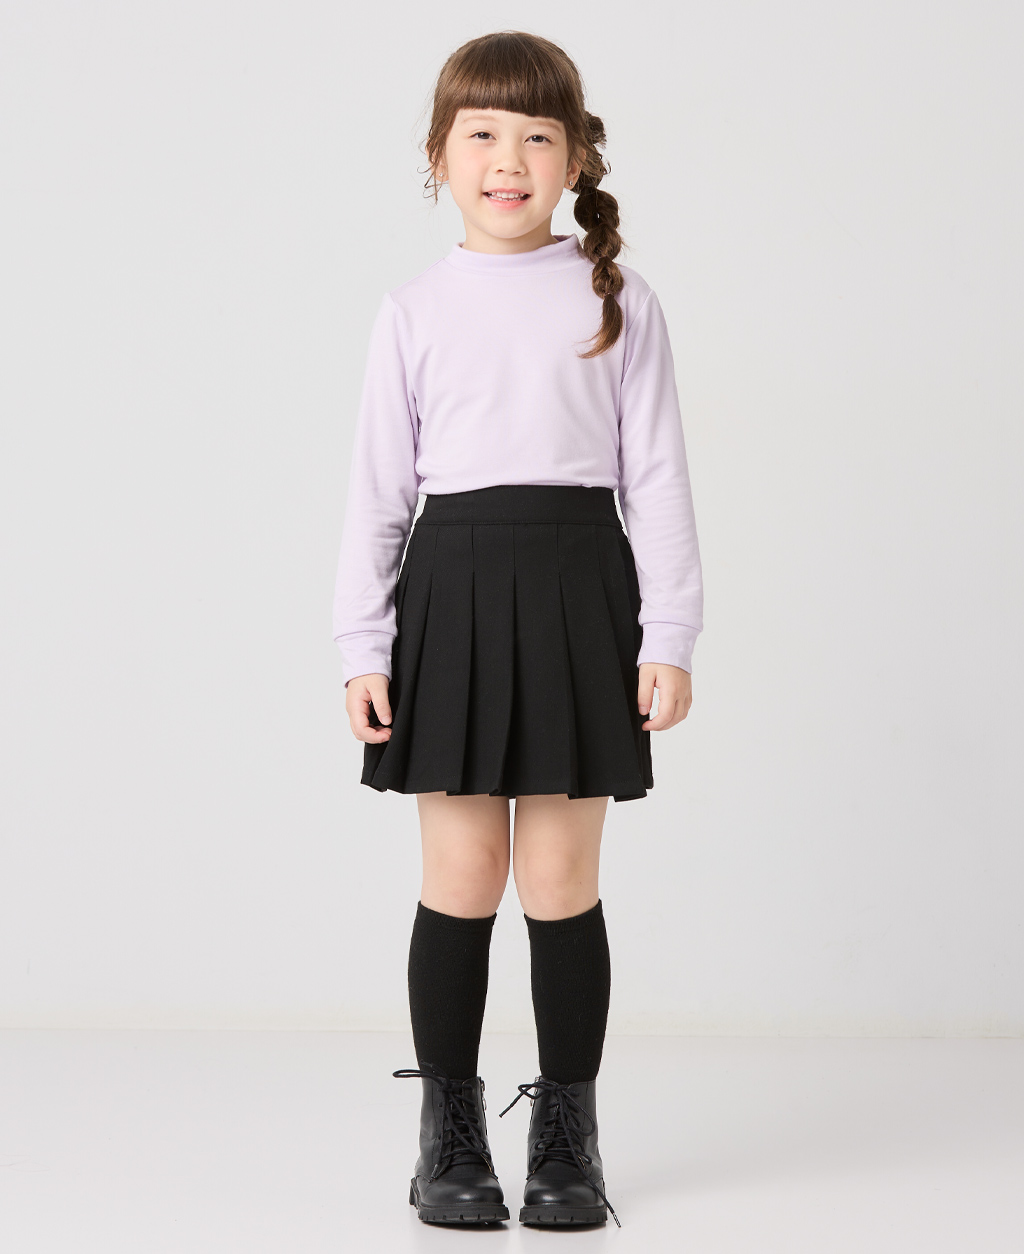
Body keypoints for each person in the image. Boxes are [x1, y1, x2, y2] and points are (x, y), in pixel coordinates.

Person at [332, 30, 703, 1228]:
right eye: (481, 134)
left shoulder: (617, 299)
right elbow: (379, 491)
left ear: (575, 157)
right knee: (461, 876)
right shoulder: (413, 308)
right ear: (438, 157)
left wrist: (668, 633)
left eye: (537, 136)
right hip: (450, 593)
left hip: (578, 593)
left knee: (558, 879)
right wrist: (363, 646)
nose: (508, 160)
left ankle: (565, 1139)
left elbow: (658, 476)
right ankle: (447, 1134)